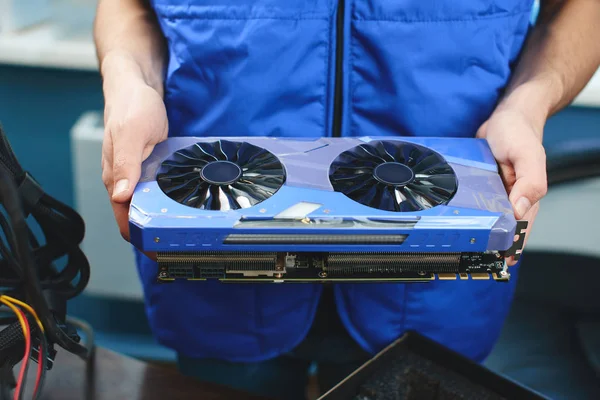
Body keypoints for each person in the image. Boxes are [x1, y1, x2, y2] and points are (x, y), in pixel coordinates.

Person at [94, 0, 600, 398]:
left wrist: (529, 102)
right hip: (217, 248)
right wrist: (128, 81)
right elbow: (130, 4)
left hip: (433, 272)